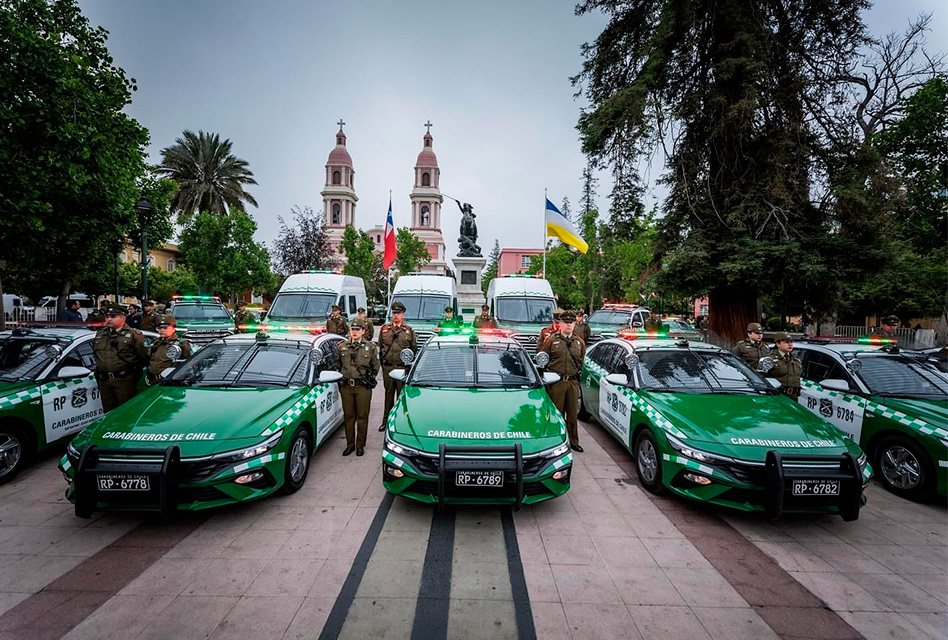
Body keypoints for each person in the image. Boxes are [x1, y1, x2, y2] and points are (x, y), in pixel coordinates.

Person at [539, 311, 586, 452]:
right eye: (566, 323)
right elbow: (543, 359)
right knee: (556, 413)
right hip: (556, 382)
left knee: (572, 414)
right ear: (560, 324)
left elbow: (582, 361)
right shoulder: (551, 340)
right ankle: (555, 441)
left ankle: (573, 441)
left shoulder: (579, 342)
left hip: (572, 382)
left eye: (571, 323)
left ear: (574, 324)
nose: (569, 325)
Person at [92, 306, 149, 413]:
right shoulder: (101, 334)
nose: (109, 319)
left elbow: (143, 357)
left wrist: (133, 373)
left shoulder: (134, 335)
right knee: (108, 413)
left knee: (126, 412)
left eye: (113, 316)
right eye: (107, 316)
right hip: (104, 380)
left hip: (124, 380)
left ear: (123, 317)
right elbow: (97, 354)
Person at [336, 319, 380, 456]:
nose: (354, 332)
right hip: (347, 387)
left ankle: (360, 445)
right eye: (352, 329)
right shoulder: (342, 346)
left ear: (363, 331)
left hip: (362, 387)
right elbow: (337, 365)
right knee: (348, 416)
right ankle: (350, 445)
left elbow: (375, 366)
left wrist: (369, 379)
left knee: (362, 416)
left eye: (357, 329)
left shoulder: (370, 347)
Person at [377, 300, 416, 431]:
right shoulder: (384, 329)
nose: (396, 315)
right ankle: (386, 421)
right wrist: (383, 366)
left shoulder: (408, 331)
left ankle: (400, 423)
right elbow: (381, 348)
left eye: (398, 313)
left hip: (401, 368)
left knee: (401, 396)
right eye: (394, 313)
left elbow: (413, 350)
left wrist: (408, 368)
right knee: (388, 395)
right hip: (388, 367)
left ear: (403, 314)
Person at [147, 314, 191, 384]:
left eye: (165, 328)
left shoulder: (181, 344)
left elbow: (186, 364)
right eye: (160, 328)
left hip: (169, 381)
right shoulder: (156, 343)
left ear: (173, 328)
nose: (162, 330)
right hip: (153, 380)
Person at [768, 332, 802, 400]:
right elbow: (762, 378)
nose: (790, 344)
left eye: (791, 342)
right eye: (786, 342)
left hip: (793, 396)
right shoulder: (770, 359)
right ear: (778, 344)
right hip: (777, 396)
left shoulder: (796, 359)